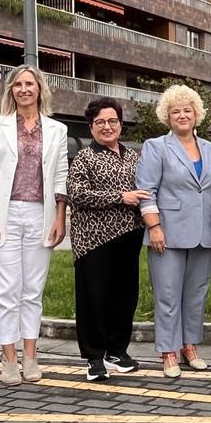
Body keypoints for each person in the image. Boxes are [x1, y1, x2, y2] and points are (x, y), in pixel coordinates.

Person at [0, 65, 69, 387]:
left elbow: (60, 176)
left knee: (32, 291)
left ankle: (31, 355)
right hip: (4, 213)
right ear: (11, 90)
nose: (24, 89)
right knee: (6, 292)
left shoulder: (57, 129)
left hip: (40, 215)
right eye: (18, 84)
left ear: (40, 89)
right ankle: (8, 357)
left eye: (29, 83)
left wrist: (60, 216)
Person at [137, 85, 211, 378]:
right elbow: (146, 191)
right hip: (168, 233)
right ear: (167, 116)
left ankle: (189, 346)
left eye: (188, 110)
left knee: (196, 294)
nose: (182, 115)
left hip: (204, 232)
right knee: (168, 295)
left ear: (197, 114)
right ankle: (168, 351)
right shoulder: (156, 146)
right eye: (176, 111)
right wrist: (155, 227)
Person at [67, 97, 147, 382]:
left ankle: (116, 352)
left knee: (125, 297)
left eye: (112, 121)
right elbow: (77, 194)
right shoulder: (85, 158)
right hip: (94, 241)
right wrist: (119, 197)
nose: (107, 126)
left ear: (120, 125)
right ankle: (93, 357)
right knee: (94, 299)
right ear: (91, 127)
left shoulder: (133, 157)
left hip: (129, 238)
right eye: (100, 122)